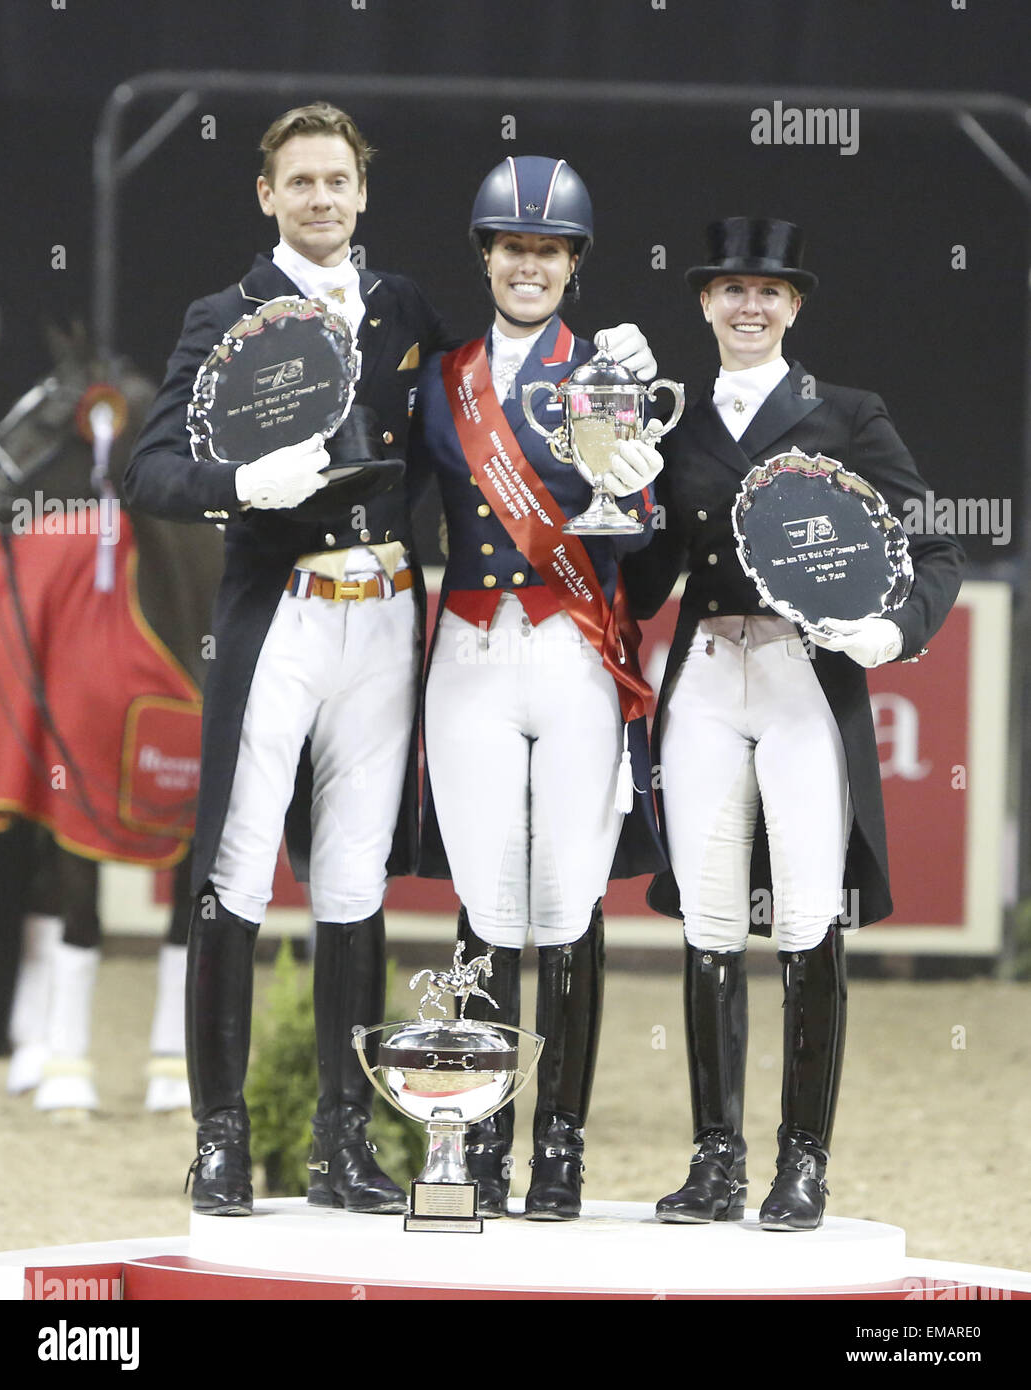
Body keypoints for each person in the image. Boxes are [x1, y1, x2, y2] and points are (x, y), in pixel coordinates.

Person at [125, 102, 459, 1216]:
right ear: (265, 195)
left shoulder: (404, 307)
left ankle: (341, 1142)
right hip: (282, 613)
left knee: (355, 882)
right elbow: (150, 467)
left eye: (338, 180)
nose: (321, 197)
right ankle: (220, 1139)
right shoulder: (225, 314)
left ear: (362, 193)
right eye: (300, 181)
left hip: (384, 620)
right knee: (233, 868)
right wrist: (236, 487)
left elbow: (467, 429)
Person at [623, 218, 964, 1231]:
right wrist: (620, 491)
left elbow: (932, 546)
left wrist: (891, 628)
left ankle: (801, 1163)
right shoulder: (674, 428)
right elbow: (646, 589)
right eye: (729, 290)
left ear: (793, 307)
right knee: (712, 923)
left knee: (808, 917)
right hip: (704, 682)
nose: (747, 306)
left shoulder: (847, 415)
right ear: (702, 303)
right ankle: (714, 1159)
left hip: (802, 681)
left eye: (767, 292)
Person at [409, 156, 667, 1220]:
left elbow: (637, 528)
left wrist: (638, 458)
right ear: (486, 256)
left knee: (566, 902)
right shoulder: (440, 377)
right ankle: (470, 1139)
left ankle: (558, 1147)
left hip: (568, 650)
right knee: (482, 900)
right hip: (469, 647)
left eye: (546, 250)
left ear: (570, 263)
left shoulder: (601, 371)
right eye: (510, 247)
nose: (528, 264)